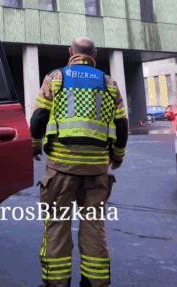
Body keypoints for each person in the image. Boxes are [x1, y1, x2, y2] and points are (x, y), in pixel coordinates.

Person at [30, 37, 129, 287]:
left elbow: (39, 116)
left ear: (70, 52)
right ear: (94, 53)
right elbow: (121, 125)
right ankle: (94, 283)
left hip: (61, 169)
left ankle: (56, 283)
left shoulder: (56, 79)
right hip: (97, 171)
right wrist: (118, 155)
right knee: (94, 227)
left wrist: (34, 147)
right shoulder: (109, 83)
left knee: (57, 228)